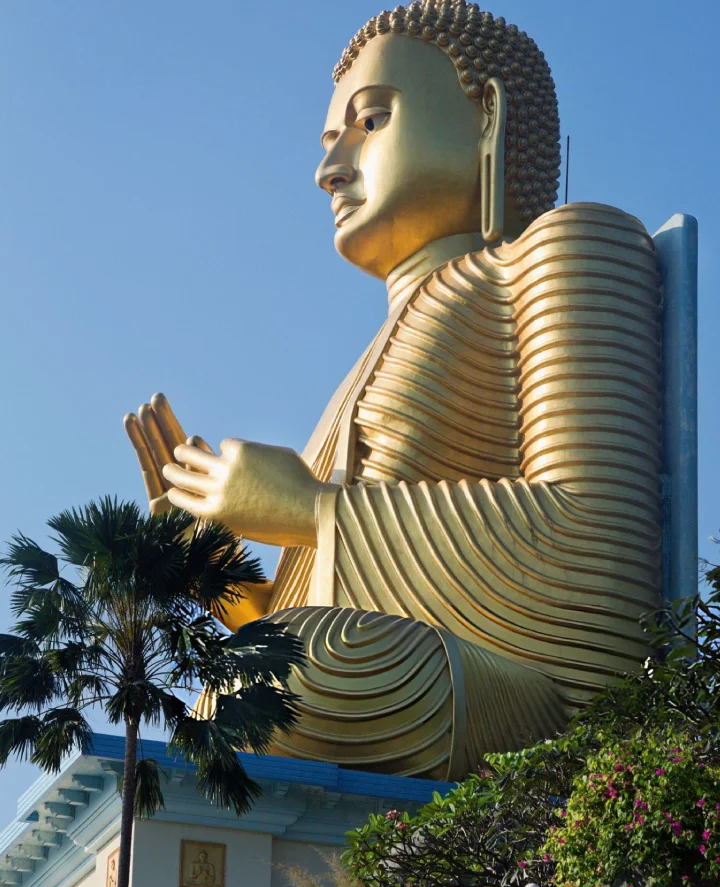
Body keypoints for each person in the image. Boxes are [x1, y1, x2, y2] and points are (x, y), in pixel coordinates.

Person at [125, 1, 661, 780]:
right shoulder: (364, 360)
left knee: (281, 673)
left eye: (370, 121)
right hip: (375, 663)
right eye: (329, 139)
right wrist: (213, 571)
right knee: (253, 674)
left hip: (527, 703)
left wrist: (313, 508)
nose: (330, 167)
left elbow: (598, 544)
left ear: (486, 116)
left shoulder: (562, 249)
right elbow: (324, 603)